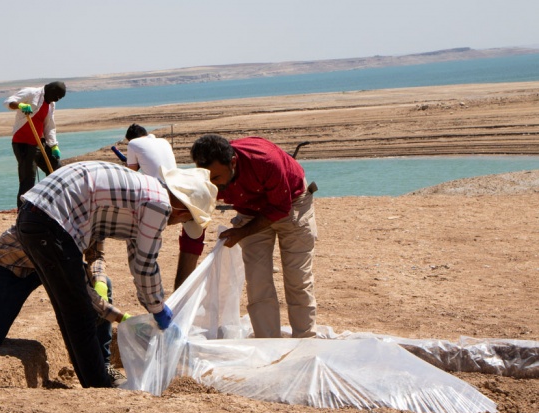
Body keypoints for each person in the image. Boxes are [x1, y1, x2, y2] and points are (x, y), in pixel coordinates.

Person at [16, 160, 216, 388]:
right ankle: (98, 386)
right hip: (50, 220)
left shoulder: (146, 190)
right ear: (182, 209)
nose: (179, 223)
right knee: (81, 315)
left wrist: (150, 304)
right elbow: (145, 265)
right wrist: (159, 310)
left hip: (35, 215)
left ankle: (93, 381)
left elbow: (137, 257)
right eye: (187, 219)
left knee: (70, 309)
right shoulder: (159, 205)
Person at [0, 225, 129, 384]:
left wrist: (100, 283)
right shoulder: (65, 210)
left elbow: (96, 254)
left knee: (105, 284)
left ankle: (104, 365)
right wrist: (123, 318)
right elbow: (80, 287)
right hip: (13, 264)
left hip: (54, 263)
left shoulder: (98, 213)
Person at [189, 134, 317, 339]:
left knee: (297, 279)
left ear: (232, 163)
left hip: (292, 204)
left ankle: (305, 341)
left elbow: (281, 207)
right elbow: (197, 212)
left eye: (216, 179)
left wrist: (242, 232)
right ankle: (268, 344)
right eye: (207, 178)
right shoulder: (209, 177)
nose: (212, 184)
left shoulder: (266, 161)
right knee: (258, 281)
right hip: (250, 210)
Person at [122, 123, 205, 290]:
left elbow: (131, 173)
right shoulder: (163, 141)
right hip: (178, 187)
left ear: (131, 138)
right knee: (192, 234)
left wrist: (131, 163)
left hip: (158, 194)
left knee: (141, 235)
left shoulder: (132, 144)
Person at [4, 81, 66, 207]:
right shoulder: (31, 93)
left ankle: (49, 203)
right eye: (57, 96)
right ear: (51, 90)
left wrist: (54, 145)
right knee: (28, 179)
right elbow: (8, 101)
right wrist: (20, 105)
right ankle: (23, 212)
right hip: (23, 143)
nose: (56, 100)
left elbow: (49, 126)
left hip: (40, 142)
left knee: (56, 169)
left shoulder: (51, 104)